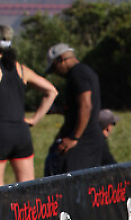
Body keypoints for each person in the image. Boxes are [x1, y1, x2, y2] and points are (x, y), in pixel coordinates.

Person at [0, 25, 58, 186]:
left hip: (1, 133)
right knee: (27, 189)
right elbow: (51, 91)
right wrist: (35, 119)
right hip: (21, 132)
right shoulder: (21, 69)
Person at [44, 43, 104, 175]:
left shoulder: (78, 73)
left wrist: (74, 138)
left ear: (61, 59)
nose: (56, 73)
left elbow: (86, 105)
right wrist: (58, 110)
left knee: (74, 181)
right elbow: (77, 109)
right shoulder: (83, 72)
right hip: (88, 138)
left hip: (83, 141)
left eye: (54, 68)